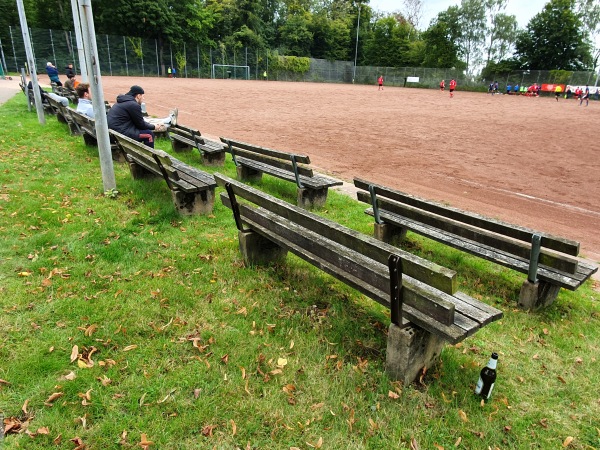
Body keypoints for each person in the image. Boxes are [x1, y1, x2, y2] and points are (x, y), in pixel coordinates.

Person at [107, 85, 178, 148]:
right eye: (142, 95)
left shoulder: (122, 102)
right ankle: (149, 158)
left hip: (112, 133)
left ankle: (167, 121)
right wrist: (154, 127)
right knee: (149, 135)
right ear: (138, 96)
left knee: (145, 123)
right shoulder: (133, 105)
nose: (143, 98)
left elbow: (139, 122)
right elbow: (141, 125)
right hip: (118, 134)